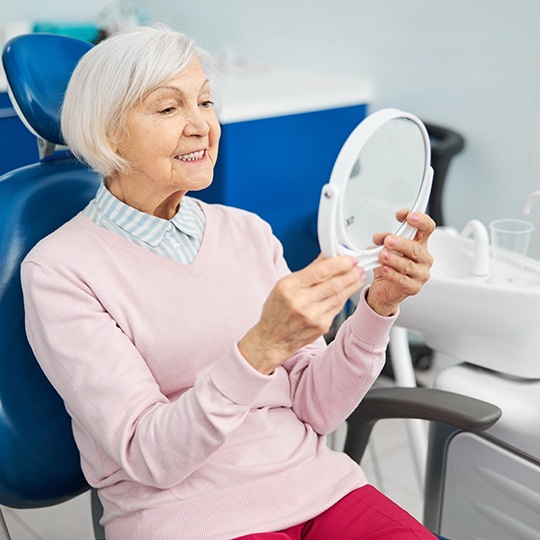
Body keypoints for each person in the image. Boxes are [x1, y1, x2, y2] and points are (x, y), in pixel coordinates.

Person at [21, 24, 436, 540]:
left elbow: (315, 406)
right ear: (110, 133)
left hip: (321, 490)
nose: (201, 126)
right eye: (169, 109)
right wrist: (260, 348)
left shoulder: (247, 232)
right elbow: (149, 456)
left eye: (206, 102)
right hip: (187, 517)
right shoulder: (60, 270)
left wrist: (377, 308)